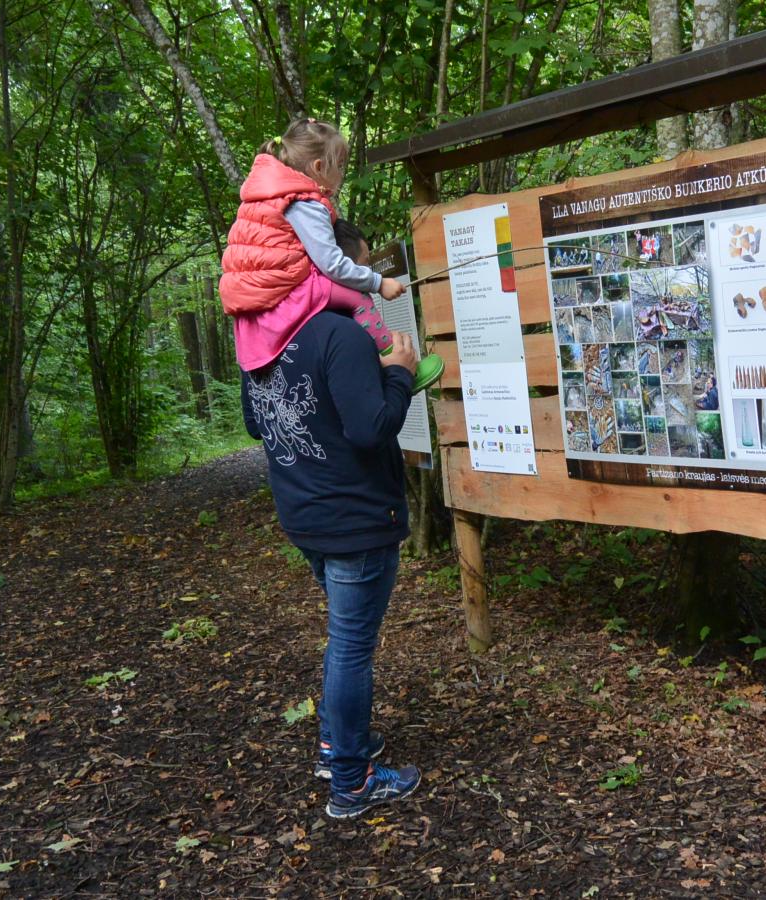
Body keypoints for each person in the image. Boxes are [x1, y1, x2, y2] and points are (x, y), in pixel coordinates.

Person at [242, 302, 422, 820]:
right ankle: (351, 780)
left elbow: (257, 423)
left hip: (304, 516)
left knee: (344, 639)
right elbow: (371, 428)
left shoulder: (260, 332)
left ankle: (334, 746)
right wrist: (401, 376)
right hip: (354, 521)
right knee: (350, 648)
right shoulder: (339, 334)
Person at [220, 118, 443, 391]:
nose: (341, 174)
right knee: (355, 294)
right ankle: (395, 362)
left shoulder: (267, 194)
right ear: (318, 168)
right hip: (286, 285)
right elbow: (332, 264)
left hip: (260, 289)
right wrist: (378, 282)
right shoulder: (305, 203)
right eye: (339, 167)